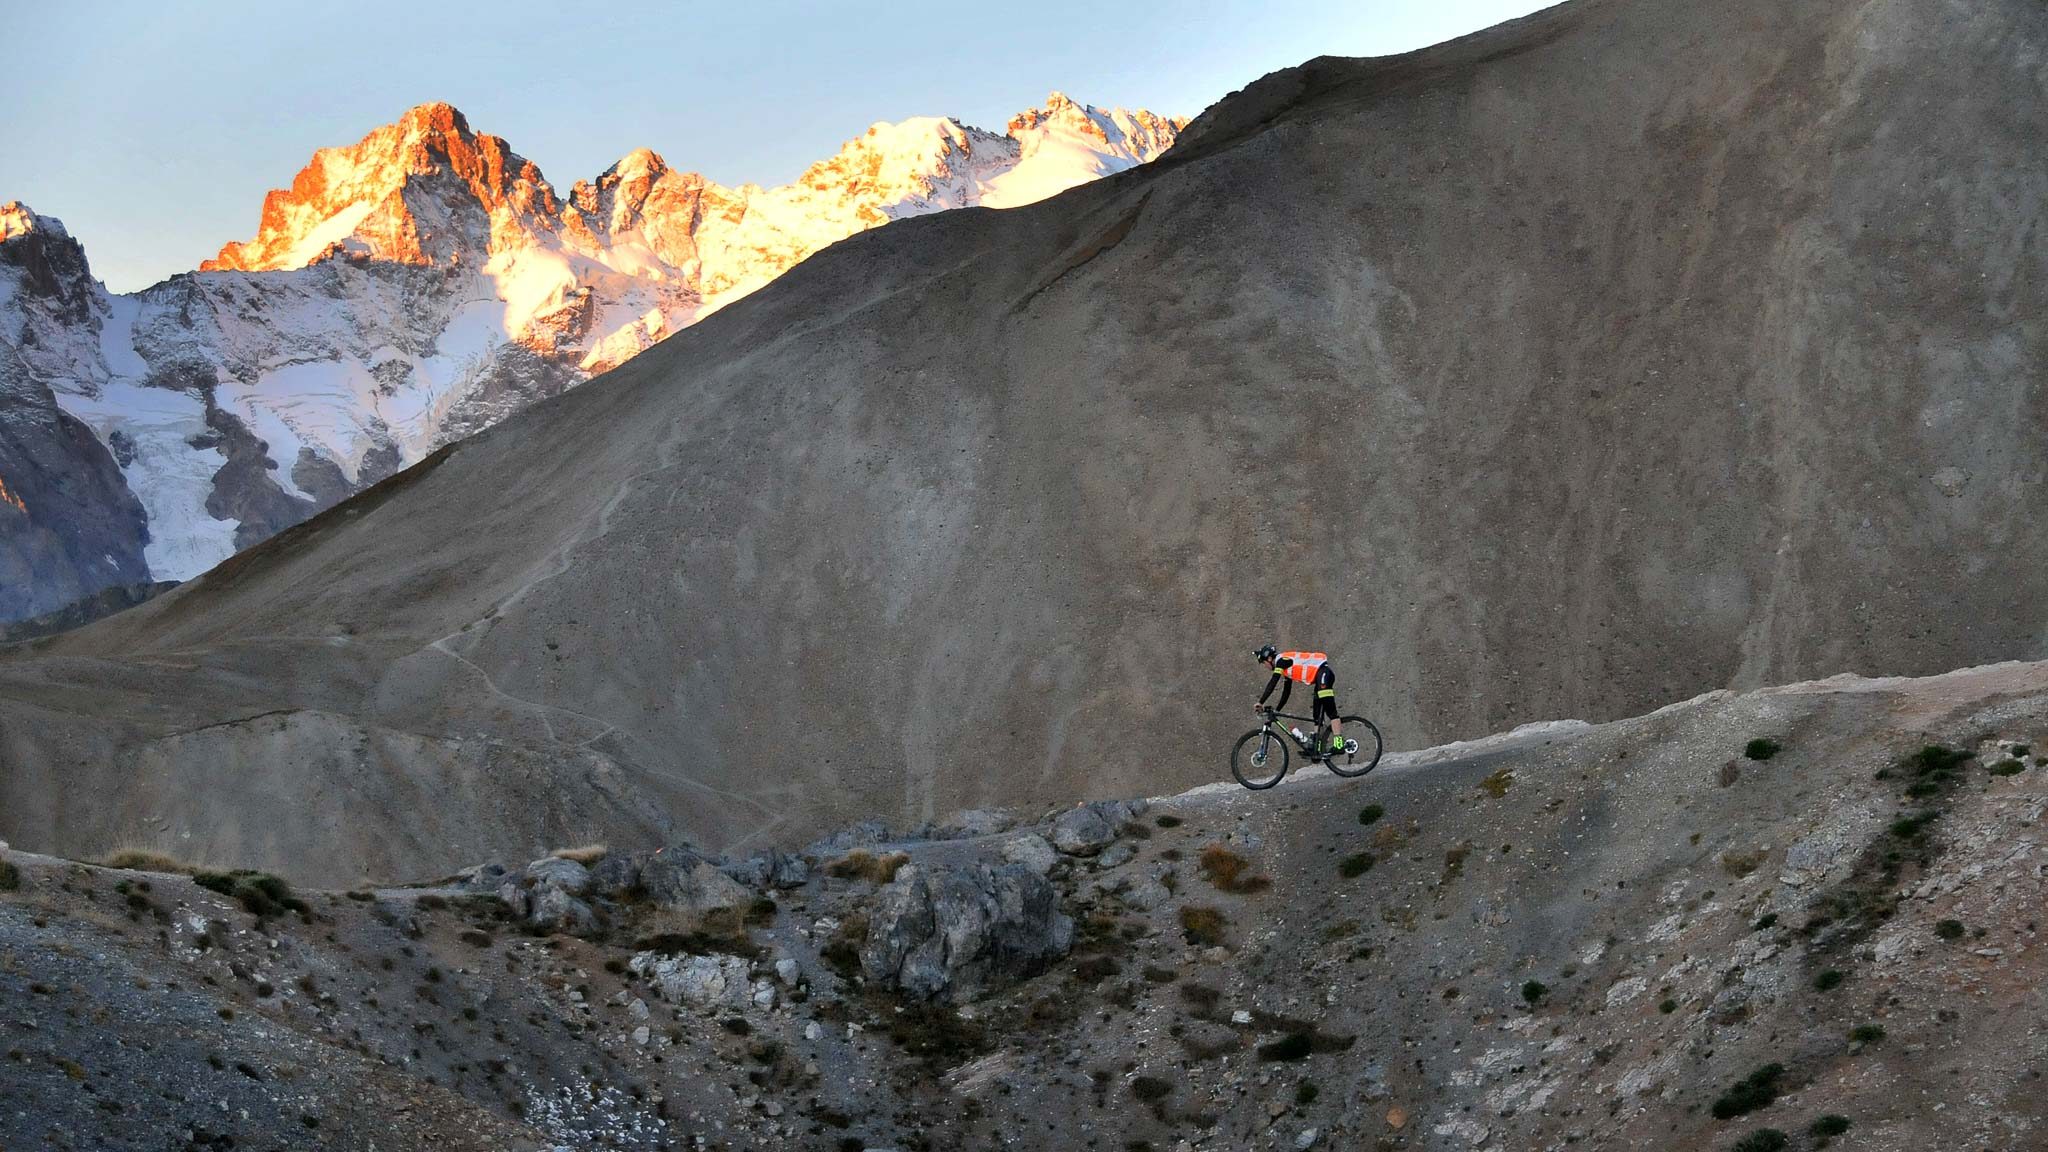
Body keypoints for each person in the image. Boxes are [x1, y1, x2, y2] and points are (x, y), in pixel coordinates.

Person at [1253, 643, 1345, 757]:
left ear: (1269, 659)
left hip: (1323, 673)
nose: (1265, 666)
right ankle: (1315, 747)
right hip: (1319, 677)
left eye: (1263, 663)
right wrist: (1277, 710)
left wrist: (1261, 702)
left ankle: (1339, 744)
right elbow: (1286, 692)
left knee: (1331, 711)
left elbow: (1273, 681)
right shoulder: (1285, 666)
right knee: (1316, 715)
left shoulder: (1281, 661)